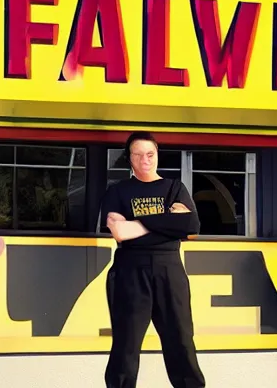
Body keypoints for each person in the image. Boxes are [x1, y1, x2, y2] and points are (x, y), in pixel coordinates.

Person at [101, 131, 205, 388]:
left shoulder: (174, 187)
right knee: (126, 344)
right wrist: (168, 222)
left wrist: (138, 224)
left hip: (169, 270)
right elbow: (120, 232)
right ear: (130, 159)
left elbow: (191, 225)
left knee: (180, 340)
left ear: (157, 155)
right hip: (129, 271)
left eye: (150, 154)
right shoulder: (118, 191)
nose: (145, 159)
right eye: (137, 155)